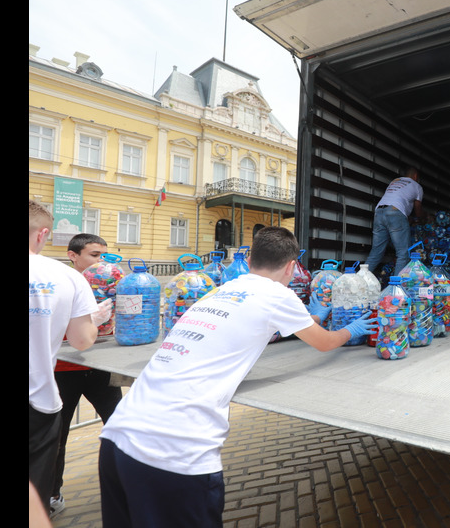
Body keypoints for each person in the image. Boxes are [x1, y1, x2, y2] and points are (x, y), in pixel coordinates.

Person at [98, 226, 378, 528]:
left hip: (117, 440)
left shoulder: (224, 289)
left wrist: (315, 317)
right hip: (174, 454)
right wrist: (352, 329)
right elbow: (323, 342)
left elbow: (265, 323)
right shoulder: (278, 294)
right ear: (291, 267)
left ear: (253, 258)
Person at [29, 201, 110, 512]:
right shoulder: (65, 277)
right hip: (37, 397)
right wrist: (95, 322)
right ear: (43, 233)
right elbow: (81, 340)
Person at [48, 233, 126, 517]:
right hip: (63, 372)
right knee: (56, 437)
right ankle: (51, 495)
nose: (100, 262)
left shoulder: (111, 282)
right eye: (94, 255)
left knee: (121, 429)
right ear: (73, 256)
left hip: (102, 369)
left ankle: (126, 488)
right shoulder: (58, 284)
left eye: (104, 255)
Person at [366, 166, 425, 276]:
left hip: (379, 212)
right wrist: (424, 218)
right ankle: (397, 288)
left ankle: (358, 281)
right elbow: (417, 210)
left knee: (376, 252)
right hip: (395, 212)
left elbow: (398, 201)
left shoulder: (395, 181)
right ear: (415, 176)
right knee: (403, 254)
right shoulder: (417, 186)